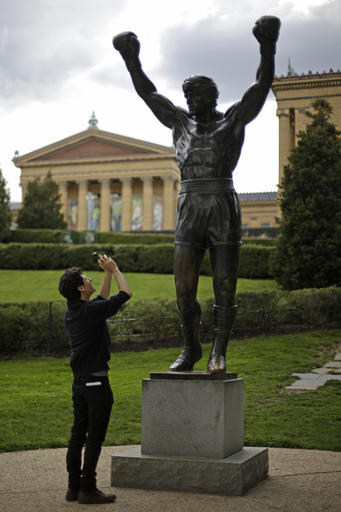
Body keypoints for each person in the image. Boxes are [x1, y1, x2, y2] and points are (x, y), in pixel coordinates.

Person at [113, 16, 280, 374]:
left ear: (212, 96)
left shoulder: (232, 121)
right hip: (189, 205)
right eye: (186, 94)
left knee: (224, 285)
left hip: (221, 201)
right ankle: (191, 349)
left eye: (195, 94)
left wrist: (267, 45)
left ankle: (219, 352)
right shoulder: (179, 124)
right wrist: (132, 60)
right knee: (183, 290)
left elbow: (262, 84)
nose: (188, 99)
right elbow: (149, 94)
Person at [58, 254, 132, 504]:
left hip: (79, 383)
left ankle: (73, 488)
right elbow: (125, 294)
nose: (89, 280)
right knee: (94, 437)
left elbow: (100, 300)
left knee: (77, 434)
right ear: (80, 288)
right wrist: (117, 269)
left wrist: (106, 273)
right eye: (86, 279)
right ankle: (88, 489)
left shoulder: (74, 311)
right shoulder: (90, 312)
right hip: (97, 384)